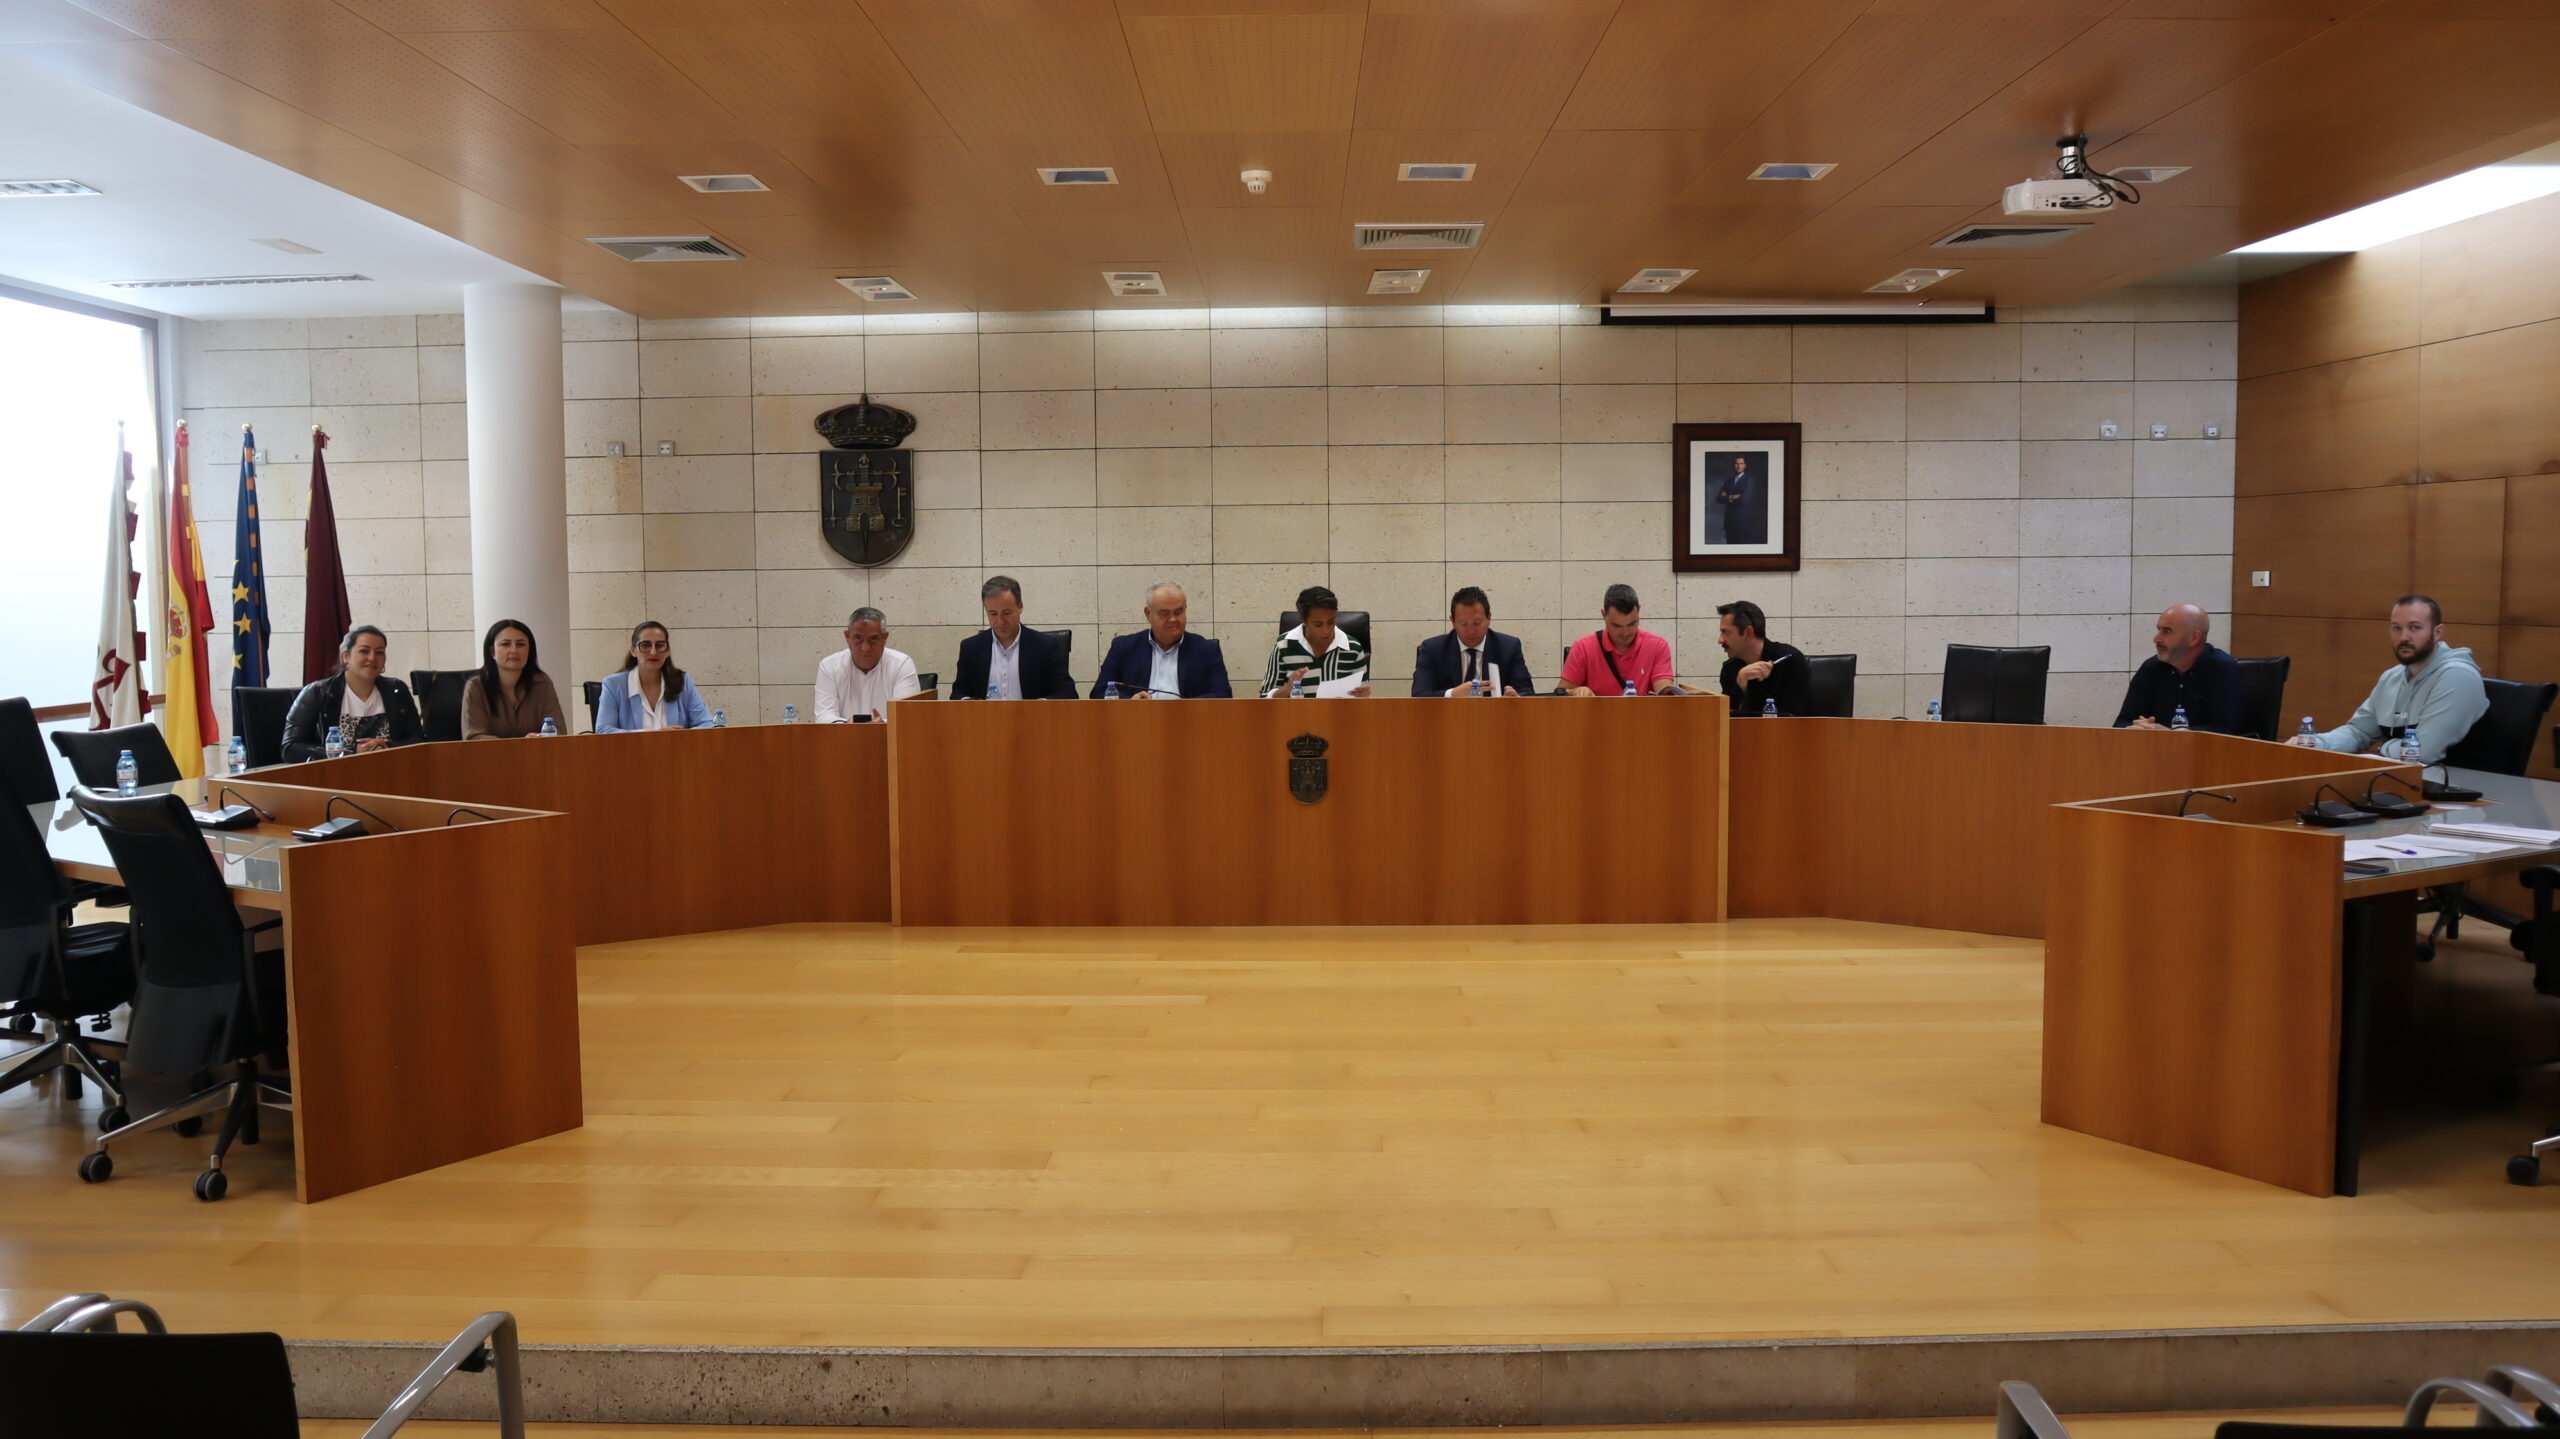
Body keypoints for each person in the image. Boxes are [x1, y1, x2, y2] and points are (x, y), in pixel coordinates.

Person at [2288, 594, 2488, 763]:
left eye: (2415, 627)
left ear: (2437, 633)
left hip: (2461, 787)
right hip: (2401, 782)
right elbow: (2359, 732)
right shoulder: (2392, 677)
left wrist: (2382, 748)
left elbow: (2423, 752)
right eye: (2396, 628)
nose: (2404, 637)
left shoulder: (2457, 676)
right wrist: (2315, 744)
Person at [281, 624, 425, 761]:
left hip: (391, 771)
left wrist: (387, 747)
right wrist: (350, 752)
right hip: (334, 774)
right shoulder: (317, 692)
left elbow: (419, 740)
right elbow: (290, 748)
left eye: (379, 652)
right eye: (364, 651)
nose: (372, 658)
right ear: (346, 656)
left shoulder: (397, 690)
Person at [2114, 603, 2245, 734]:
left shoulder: (2222, 668)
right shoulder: (2152, 668)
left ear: (2194, 638)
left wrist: (2171, 735)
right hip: (2155, 746)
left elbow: (2225, 730)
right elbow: (2122, 723)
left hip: (2205, 748)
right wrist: (2134, 730)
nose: (2156, 639)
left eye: (2167, 631)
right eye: (2159, 630)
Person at [1091, 581, 1232, 699]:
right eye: (1165, 614)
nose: (1173, 619)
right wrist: (1130, 703)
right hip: (1137, 720)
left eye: (1178, 612)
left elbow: (1223, 695)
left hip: (1189, 721)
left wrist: (1186, 708)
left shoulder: (1206, 650)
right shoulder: (1124, 647)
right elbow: (1099, 692)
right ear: (1148, 614)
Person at [953, 576, 1075, 701]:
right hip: (985, 714)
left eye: (1006, 613)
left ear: (1020, 607)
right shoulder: (971, 648)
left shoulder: (1045, 646)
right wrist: (967, 702)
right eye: (993, 614)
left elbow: (1068, 692)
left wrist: (1040, 706)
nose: (1000, 621)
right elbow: (957, 693)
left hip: (1032, 714)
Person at [1412, 585, 1536, 697]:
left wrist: (1515, 698)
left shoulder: (1508, 647)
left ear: (1488, 618)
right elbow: (1419, 696)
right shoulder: (1433, 650)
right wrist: (1453, 694)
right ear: (1453, 621)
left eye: (1477, 623)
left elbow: (1527, 693)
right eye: (1463, 624)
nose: (1471, 631)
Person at [594, 620, 715, 732]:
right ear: (633, 651)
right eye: (645, 645)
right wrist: (652, 736)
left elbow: (707, 724)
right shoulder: (613, 684)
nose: (653, 652)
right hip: (633, 749)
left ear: (667, 651)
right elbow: (603, 730)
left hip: (677, 749)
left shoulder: (683, 682)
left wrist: (681, 736)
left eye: (660, 645)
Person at [1560, 584, 1676, 696]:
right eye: (1616, 626)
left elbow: (1664, 692)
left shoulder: (1657, 646)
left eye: (1632, 624)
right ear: (1604, 615)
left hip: (1643, 710)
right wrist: (1575, 692)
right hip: (1597, 710)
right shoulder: (1583, 648)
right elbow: (1561, 694)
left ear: (1639, 611)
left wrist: (1672, 694)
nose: (1625, 632)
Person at [463, 618, 569, 739]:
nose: (514, 650)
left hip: (536, 751)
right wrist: (519, 745)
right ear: (492, 652)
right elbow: (474, 737)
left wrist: (540, 738)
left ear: (529, 651)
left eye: (520, 644)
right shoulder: (476, 687)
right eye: (505, 644)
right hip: (494, 753)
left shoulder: (542, 683)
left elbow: (558, 732)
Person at [1261, 585, 1371, 698]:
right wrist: (1287, 688)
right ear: (1303, 620)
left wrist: (1363, 695)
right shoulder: (1284, 645)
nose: (1326, 631)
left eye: (1331, 622)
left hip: (1338, 710)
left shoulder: (1353, 648)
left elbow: (1363, 699)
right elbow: (1263, 699)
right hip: (1296, 710)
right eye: (1318, 625)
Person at [814, 606, 922, 722]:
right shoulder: (829, 667)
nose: (865, 648)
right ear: (847, 637)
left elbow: (906, 718)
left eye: (873, 639)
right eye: (858, 639)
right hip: (844, 733)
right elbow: (824, 716)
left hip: (887, 734)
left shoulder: (901, 664)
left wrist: (881, 725)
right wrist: (849, 726)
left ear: (884, 638)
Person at [1714, 600, 1807, 716]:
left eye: (1725, 632)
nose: (1720, 640)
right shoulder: (1730, 668)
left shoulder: (1789, 661)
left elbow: (1791, 717)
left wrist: (1753, 688)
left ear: (1748, 632)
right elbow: (1726, 718)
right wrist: (1741, 685)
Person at [1714, 454, 1766, 545]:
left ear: (1745, 465)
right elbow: (1719, 499)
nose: (1738, 466)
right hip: (1730, 523)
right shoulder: (1728, 481)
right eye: (1736, 463)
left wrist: (1727, 496)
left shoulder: (1749, 481)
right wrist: (1733, 496)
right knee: (1730, 550)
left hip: (1743, 523)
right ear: (1733, 465)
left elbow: (1743, 500)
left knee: (1742, 550)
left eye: (1741, 463)